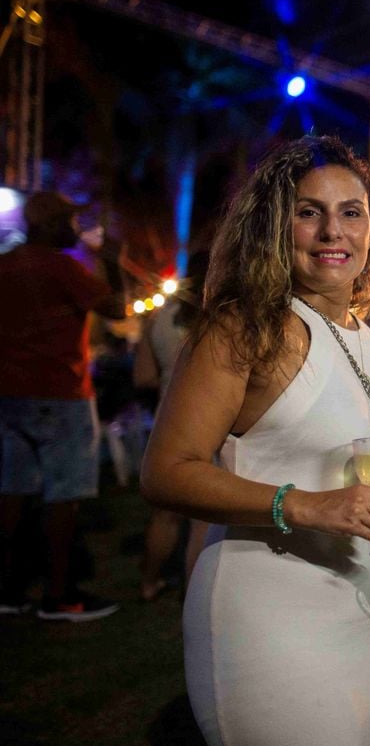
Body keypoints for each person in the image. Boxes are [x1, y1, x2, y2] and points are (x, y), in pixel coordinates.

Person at [140, 136, 370, 746]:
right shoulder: (243, 328)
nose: (332, 231)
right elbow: (165, 472)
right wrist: (308, 505)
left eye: (352, 213)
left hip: (367, 620)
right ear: (274, 224)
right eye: (308, 211)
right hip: (269, 615)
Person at [0, 191, 127, 621]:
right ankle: (60, 595)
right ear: (51, 224)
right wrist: (111, 260)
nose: (75, 228)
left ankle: (10, 590)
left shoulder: (6, 265)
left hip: (9, 393)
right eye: (70, 221)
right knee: (64, 497)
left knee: (12, 492)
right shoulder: (61, 267)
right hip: (60, 392)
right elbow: (116, 309)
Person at [133, 250, 211, 601]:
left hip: (168, 420)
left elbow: (143, 376)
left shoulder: (160, 318)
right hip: (210, 423)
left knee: (165, 513)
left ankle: (148, 583)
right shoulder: (221, 318)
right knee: (203, 518)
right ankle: (195, 595)